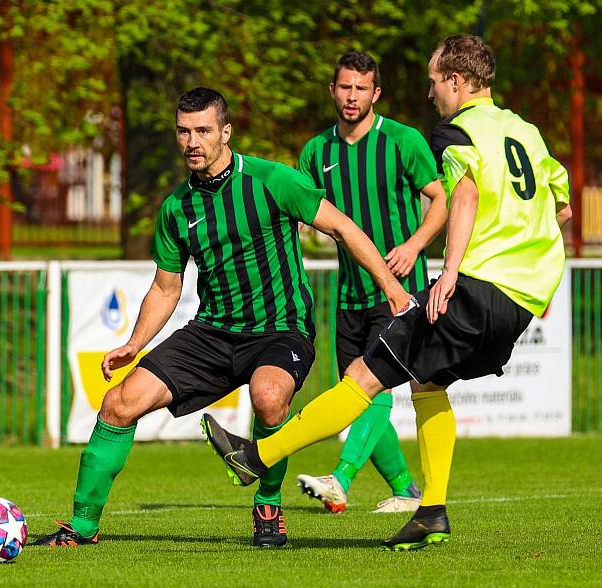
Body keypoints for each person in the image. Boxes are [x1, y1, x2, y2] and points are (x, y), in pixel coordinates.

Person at [202, 34, 572, 551]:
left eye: (435, 82)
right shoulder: (525, 131)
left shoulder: (456, 131)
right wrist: (526, 256)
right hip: (523, 298)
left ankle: (255, 457)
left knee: (363, 376)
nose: (430, 94)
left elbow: (461, 196)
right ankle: (432, 511)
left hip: (474, 286)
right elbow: (561, 208)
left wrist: (448, 272)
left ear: (457, 82)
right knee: (428, 384)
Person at [32, 87, 411, 549]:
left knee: (269, 396)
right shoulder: (177, 208)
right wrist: (135, 343)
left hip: (281, 328)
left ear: (225, 132)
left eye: (203, 131)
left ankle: (268, 506)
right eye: (184, 131)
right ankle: (82, 526)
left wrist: (391, 288)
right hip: (213, 332)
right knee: (118, 403)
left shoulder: (272, 180)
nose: (192, 141)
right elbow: (165, 287)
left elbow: (344, 227)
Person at [294, 52, 448, 514]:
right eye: (345, 87)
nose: (352, 96)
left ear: (375, 93)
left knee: (371, 384)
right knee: (354, 389)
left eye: (361, 88)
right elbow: (300, 212)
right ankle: (406, 488)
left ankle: (340, 478)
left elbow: (441, 199)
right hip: (349, 293)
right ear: (332, 91)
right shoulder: (315, 152)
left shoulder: (403, 141)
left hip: (400, 291)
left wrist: (415, 245)